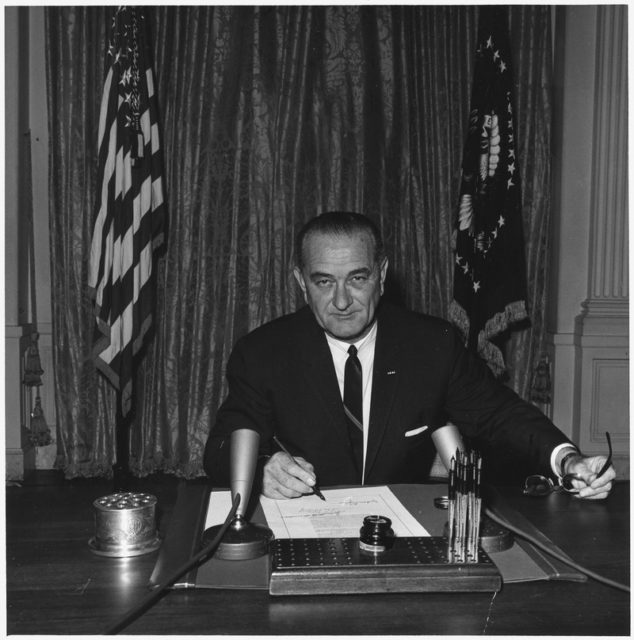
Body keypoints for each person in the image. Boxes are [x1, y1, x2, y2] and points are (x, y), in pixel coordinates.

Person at [204, 211, 614, 501]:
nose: (342, 300)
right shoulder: (262, 352)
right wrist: (261, 469)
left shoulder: (432, 344)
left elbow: (499, 414)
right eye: (324, 281)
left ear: (381, 275)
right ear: (300, 282)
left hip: (402, 529)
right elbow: (219, 449)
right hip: (300, 525)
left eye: (358, 278)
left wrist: (568, 460)